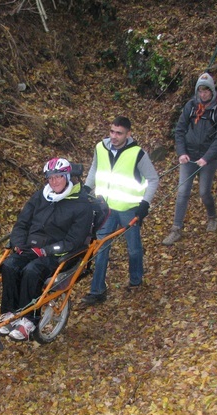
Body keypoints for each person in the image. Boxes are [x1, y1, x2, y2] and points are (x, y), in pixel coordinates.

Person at [0, 158, 94, 340]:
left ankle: (29, 320)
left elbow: (74, 240)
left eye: (58, 177)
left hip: (58, 253)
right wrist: (18, 243)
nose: (54, 181)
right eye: (50, 178)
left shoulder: (81, 205)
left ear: (67, 177)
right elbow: (22, 223)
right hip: (31, 246)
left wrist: (45, 251)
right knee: (9, 265)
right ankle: (10, 313)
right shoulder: (40, 196)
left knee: (32, 271)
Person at [81, 116, 159, 305]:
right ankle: (97, 291)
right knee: (100, 249)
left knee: (133, 249)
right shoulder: (100, 148)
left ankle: (136, 279)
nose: (114, 136)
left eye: (119, 133)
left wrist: (144, 204)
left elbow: (153, 179)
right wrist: (86, 188)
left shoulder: (137, 154)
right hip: (105, 209)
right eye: (112, 132)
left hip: (128, 210)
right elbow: (94, 169)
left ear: (128, 134)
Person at [161, 72, 217, 246]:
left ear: (212, 91)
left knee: (204, 192)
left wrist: (207, 158)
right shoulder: (191, 106)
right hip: (189, 156)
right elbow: (180, 130)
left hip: (208, 158)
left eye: (206, 91)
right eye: (200, 91)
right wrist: (181, 152)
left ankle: (212, 217)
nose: (203, 94)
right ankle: (176, 229)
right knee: (183, 192)